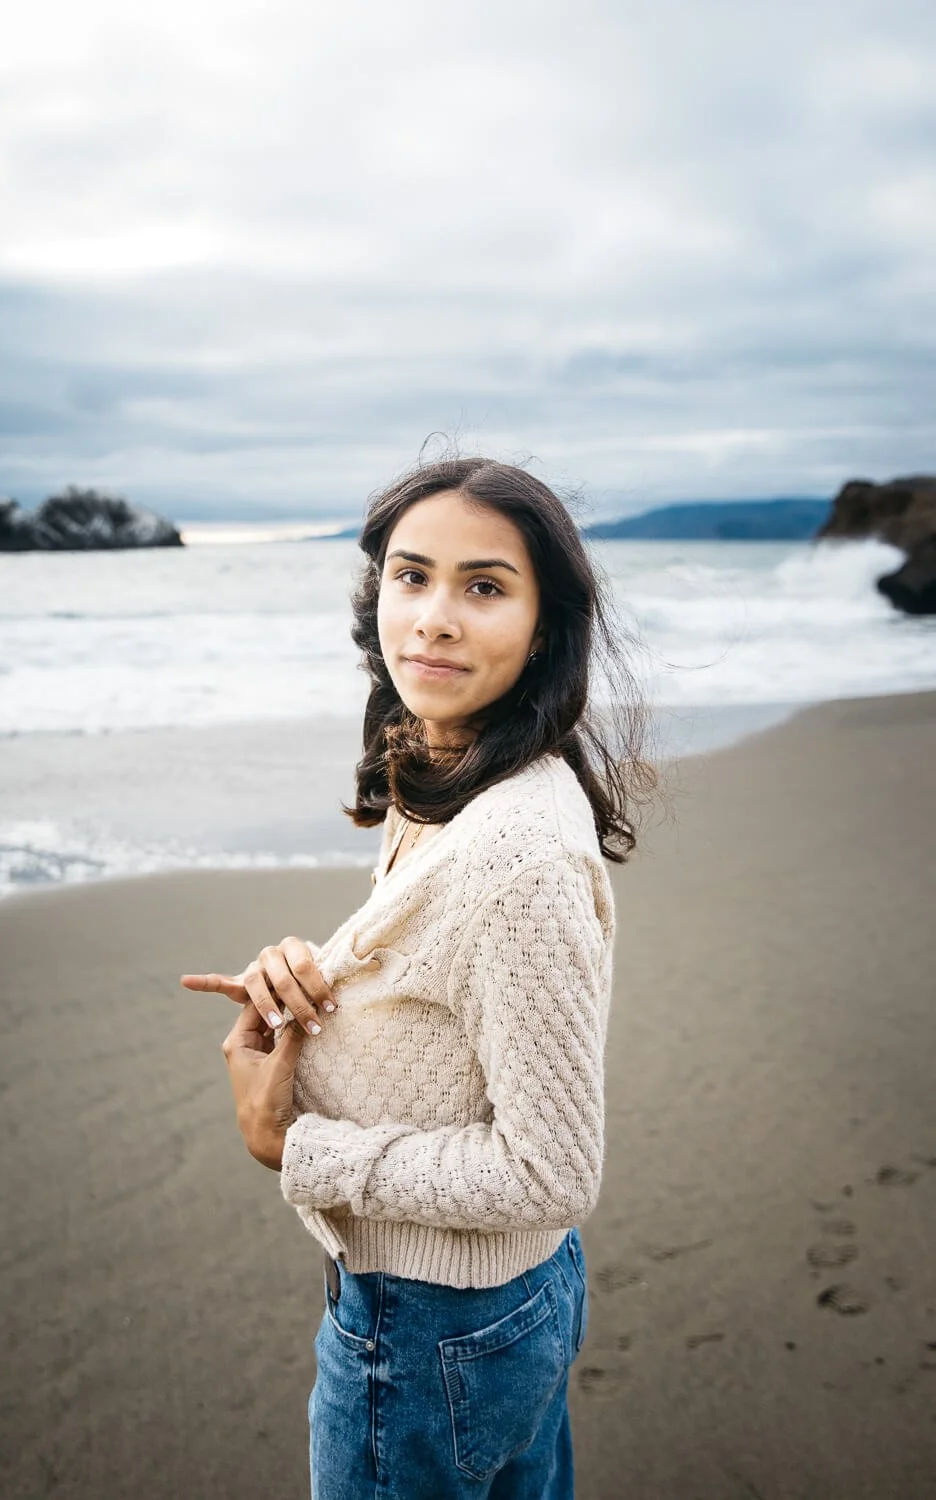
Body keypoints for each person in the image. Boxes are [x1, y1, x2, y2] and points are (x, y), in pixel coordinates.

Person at [181, 455, 655, 1499]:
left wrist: (291, 1145)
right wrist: (314, 976)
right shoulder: (453, 767)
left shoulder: (517, 854)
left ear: (545, 627)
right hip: (495, 1302)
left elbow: (552, 1173)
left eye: (484, 587)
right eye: (412, 576)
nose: (434, 617)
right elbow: (436, 970)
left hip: (439, 1320)